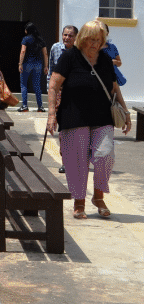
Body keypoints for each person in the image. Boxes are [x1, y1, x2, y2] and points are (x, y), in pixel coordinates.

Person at [47, 20, 132, 219]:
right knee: (76, 160)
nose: (94, 44)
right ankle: (79, 202)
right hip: (73, 115)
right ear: (83, 38)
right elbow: (53, 86)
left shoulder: (104, 59)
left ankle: (98, 195)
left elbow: (114, 87)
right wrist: (51, 114)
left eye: (99, 40)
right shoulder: (70, 57)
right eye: (91, 39)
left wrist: (126, 113)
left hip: (102, 116)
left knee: (105, 155)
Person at [48, 25, 78, 173]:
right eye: (65, 35)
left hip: (75, 95)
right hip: (60, 93)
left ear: (76, 38)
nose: (67, 38)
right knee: (63, 129)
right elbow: (51, 69)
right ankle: (65, 161)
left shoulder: (79, 52)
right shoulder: (55, 48)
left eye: (70, 36)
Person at [18, 22, 47, 112]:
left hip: (27, 63)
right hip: (38, 64)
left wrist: (20, 63)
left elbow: (23, 51)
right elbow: (45, 54)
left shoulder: (26, 39)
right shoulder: (40, 40)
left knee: (23, 84)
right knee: (37, 85)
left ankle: (25, 106)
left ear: (28, 30)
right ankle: (40, 106)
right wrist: (46, 66)